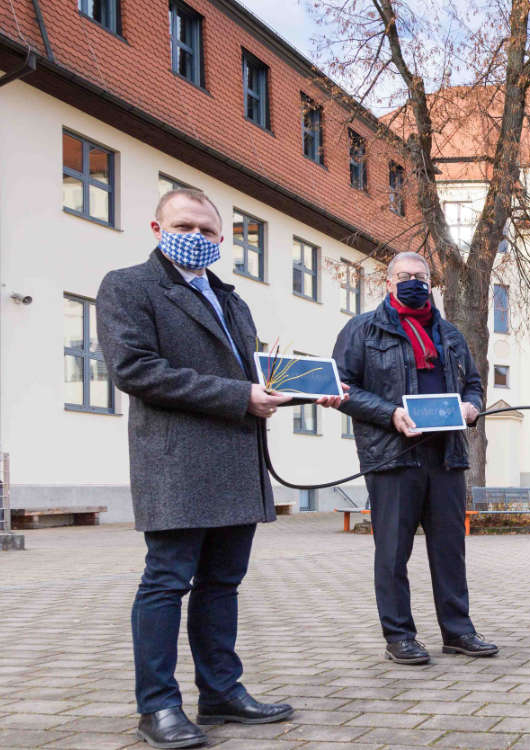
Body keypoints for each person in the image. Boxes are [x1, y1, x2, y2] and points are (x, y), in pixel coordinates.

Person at [97, 189, 346, 749]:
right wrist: (241, 397)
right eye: (186, 225)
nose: (200, 237)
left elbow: (258, 378)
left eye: (211, 231)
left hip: (236, 460)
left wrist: (314, 392)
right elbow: (136, 369)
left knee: (222, 584)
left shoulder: (231, 299)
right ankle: (157, 707)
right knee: (166, 583)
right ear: (157, 228)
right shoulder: (129, 286)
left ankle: (221, 691)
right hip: (178, 462)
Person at [333, 251, 495, 666]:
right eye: (404, 276)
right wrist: (390, 414)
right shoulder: (362, 330)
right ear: (388, 283)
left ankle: (458, 631)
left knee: (449, 550)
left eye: (421, 277)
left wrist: (472, 407)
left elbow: (473, 384)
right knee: (392, 552)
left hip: (445, 456)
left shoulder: (451, 335)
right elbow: (343, 389)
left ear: (430, 283)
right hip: (392, 457)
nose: (413, 282)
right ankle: (399, 636)